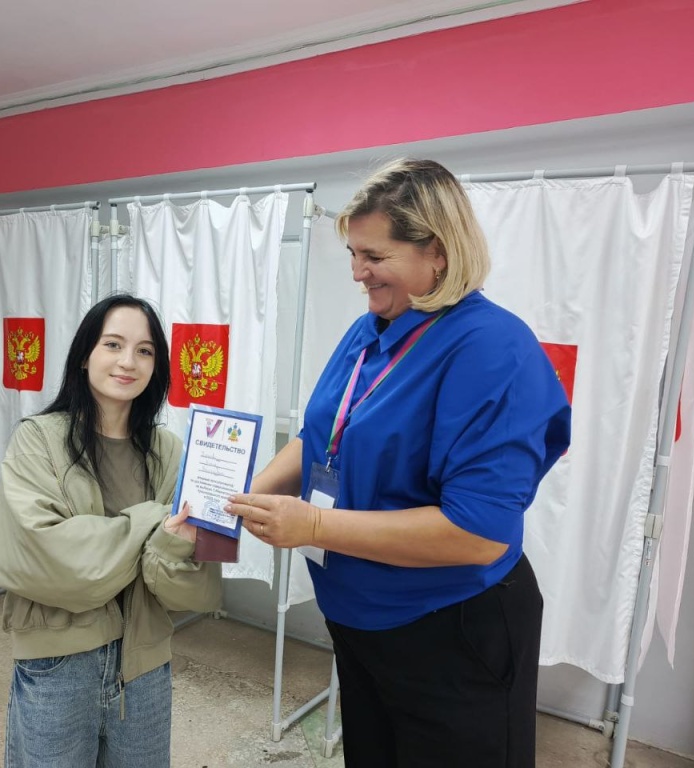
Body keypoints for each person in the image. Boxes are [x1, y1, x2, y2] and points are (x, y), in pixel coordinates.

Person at [227, 158, 571, 767]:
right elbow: (319, 438)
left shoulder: (492, 349)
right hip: (360, 618)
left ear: (436, 252)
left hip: (449, 626)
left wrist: (311, 526)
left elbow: (477, 533)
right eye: (354, 254)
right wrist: (235, 498)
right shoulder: (370, 330)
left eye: (375, 256)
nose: (358, 273)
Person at [0, 293, 222, 768]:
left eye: (145, 350)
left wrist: (170, 544)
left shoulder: (170, 450)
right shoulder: (38, 439)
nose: (128, 361)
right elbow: (54, 563)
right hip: (58, 663)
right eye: (113, 344)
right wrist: (155, 522)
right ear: (85, 354)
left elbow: (198, 588)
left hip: (145, 666)